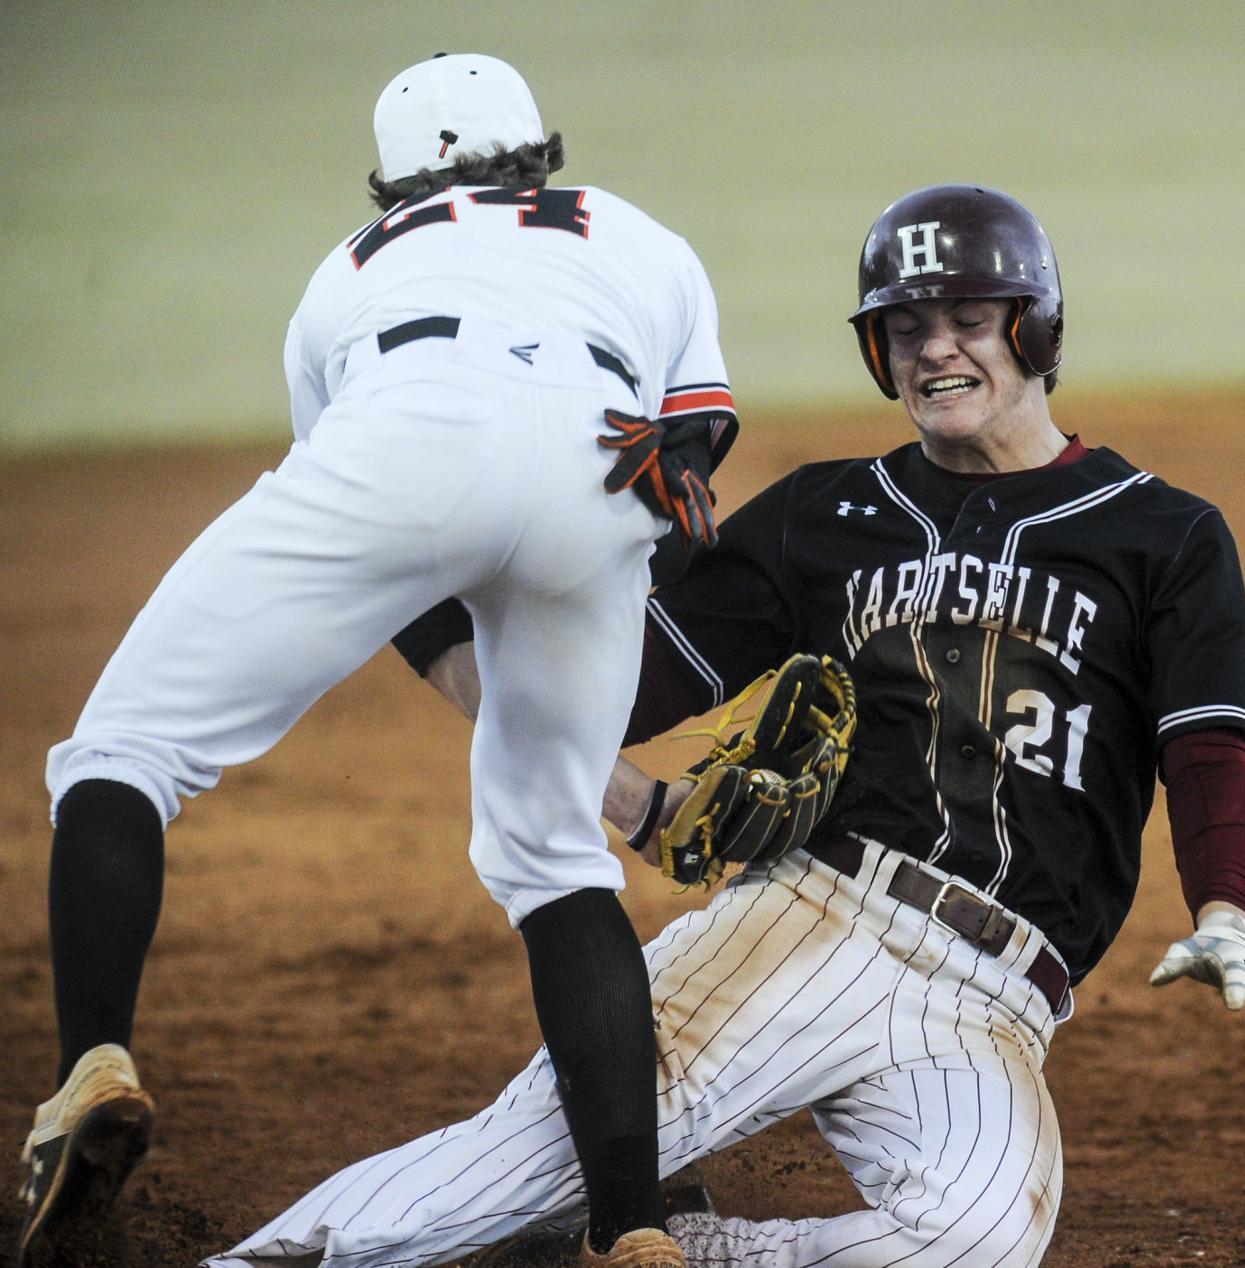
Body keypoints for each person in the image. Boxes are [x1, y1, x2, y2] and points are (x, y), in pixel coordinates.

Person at [202, 183, 1245, 1268]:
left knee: (973, 1239)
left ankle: (662, 1251)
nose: (935, 351)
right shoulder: (825, 515)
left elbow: (1206, 747)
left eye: (968, 320)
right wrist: (442, 618)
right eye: (904, 328)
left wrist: (1228, 911)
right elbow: (602, 693)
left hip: (998, 1001)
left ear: (1035, 328)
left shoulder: (1162, 535)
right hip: (814, 921)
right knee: (522, 1159)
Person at [18, 51, 742, 1268]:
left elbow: (405, 561)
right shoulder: (636, 232)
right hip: (601, 467)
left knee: (125, 751)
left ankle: (87, 1069)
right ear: (541, 155)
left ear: (391, 184)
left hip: (402, 433)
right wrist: (666, 486)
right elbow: (700, 425)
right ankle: (633, 1226)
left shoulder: (344, 270)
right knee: (556, 855)